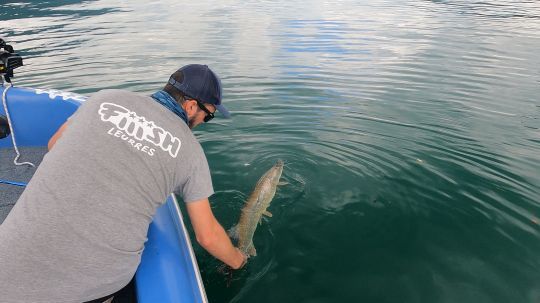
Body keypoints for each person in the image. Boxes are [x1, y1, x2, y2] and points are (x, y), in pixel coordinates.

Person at [0, 64, 247, 303]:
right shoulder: (191, 153)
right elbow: (207, 235)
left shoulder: (103, 99)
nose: (205, 121)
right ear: (191, 106)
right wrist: (238, 260)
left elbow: (54, 144)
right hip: (84, 292)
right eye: (209, 115)